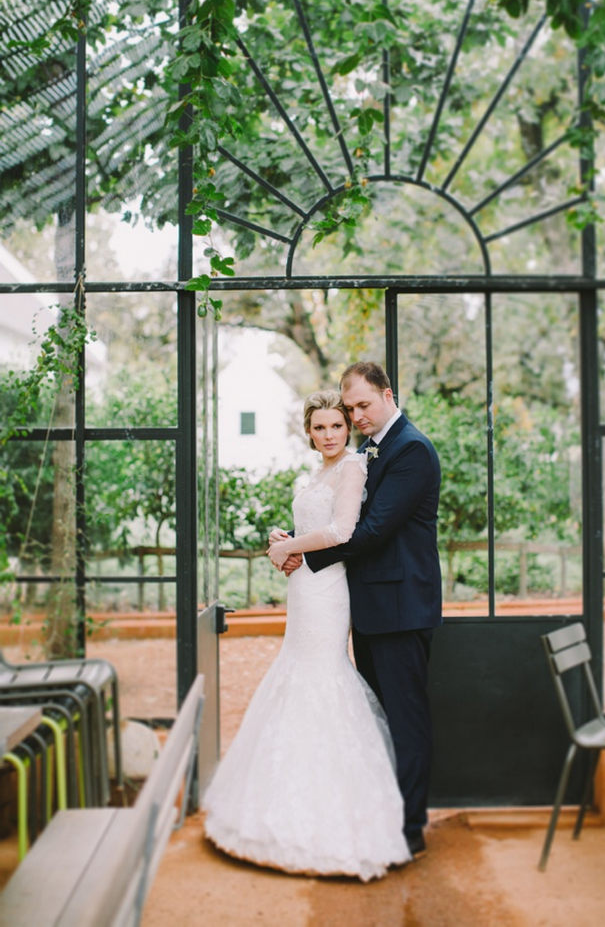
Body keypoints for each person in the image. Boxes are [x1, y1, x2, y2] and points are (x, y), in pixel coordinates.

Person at [203, 390, 411, 880]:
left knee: (322, 675)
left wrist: (289, 548)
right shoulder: (317, 472)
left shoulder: (355, 466)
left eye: (336, 426)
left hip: (328, 591)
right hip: (303, 588)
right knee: (294, 672)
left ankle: (336, 821)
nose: (329, 435)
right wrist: (284, 540)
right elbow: (310, 527)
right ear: (309, 432)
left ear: (348, 427)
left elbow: (341, 531)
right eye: (319, 428)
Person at [282, 362, 441, 857]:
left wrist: (303, 554)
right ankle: (379, 815)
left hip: (401, 610)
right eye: (350, 408)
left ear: (388, 394)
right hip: (368, 609)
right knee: (374, 720)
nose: (356, 416)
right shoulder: (373, 449)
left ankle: (410, 829)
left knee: (405, 721)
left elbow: (370, 532)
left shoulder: (411, 450)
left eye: (362, 406)